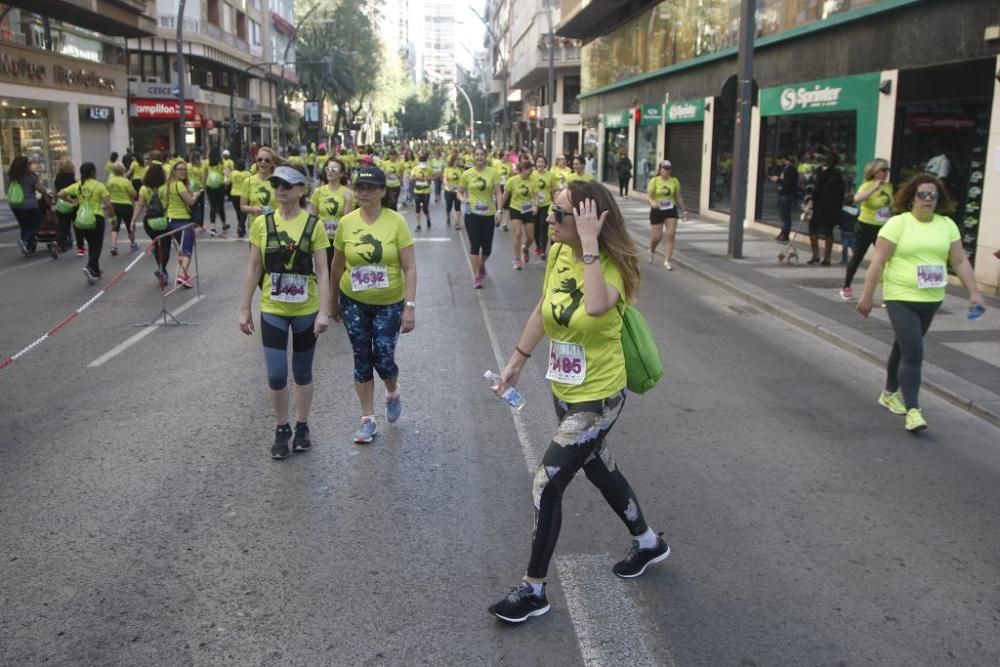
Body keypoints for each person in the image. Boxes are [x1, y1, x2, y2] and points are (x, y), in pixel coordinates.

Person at [488, 181, 669, 624]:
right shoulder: (555, 253)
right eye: (549, 211)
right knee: (599, 467)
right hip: (565, 389)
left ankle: (533, 590)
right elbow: (542, 309)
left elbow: (593, 308)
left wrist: (589, 245)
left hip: (599, 397)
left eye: (559, 214)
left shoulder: (614, 266)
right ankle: (648, 542)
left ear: (590, 220)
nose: (547, 220)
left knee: (546, 484)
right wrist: (516, 361)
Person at [857, 173, 984, 432]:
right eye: (922, 195)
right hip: (900, 297)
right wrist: (867, 295)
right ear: (911, 197)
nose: (928, 199)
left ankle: (889, 392)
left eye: (933, 195)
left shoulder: (946, 225)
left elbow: (959, 260)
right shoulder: (898, 224)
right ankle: (913, 410)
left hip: (932, 298)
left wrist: (975, 292)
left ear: (939, 198)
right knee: (914, 352)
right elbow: (878, 262)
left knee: (903, 347)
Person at [239, 165, 330, 460]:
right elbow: (254, 267)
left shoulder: (313, 225)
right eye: (277, 184)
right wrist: (244, 309)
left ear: (302, 190)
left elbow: (323, 272)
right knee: (277, 374)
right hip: (273, 308)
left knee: (302, 371)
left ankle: (303, 426)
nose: (281, 189)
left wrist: (324, 312)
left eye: (288, 185)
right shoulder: (262, 224)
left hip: (306, 309)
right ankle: (282, 428)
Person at [329, 166, 417, 444]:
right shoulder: (347, 223)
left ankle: (392, 390)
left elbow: (410, 267)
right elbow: (337, 264)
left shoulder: (396, 222)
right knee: (362, 359)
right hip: (353, 300)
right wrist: (332, 301)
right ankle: (367, 419)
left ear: (382, 191)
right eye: (359, 188)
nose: (363, 193)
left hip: (389, 303)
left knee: (384, 358)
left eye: (370, 188)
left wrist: (410, 307)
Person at [840, 159, 892, 301]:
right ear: (874, 171)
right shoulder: (866, 186)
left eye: (888, 170)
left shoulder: (889, 186)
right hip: (865, 226)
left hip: (883, 228)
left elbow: (890, 205)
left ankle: (888, 293)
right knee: (857, 257)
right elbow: (857, 198)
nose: (886, 173)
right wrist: (874, 188)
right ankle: (846, 286)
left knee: (886, 260)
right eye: (883, 170)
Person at [56, 162, 114, 284]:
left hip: (81, 220)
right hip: (96, 217)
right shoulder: (99, 186)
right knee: (96, 246)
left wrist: (72, 201)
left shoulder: (78, 186)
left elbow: (60, 194)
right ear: (93, 172)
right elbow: (108, 204)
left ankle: (96, 271)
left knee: (91, 245)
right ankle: (89, 266)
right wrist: (112, 217)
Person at [458, 147, 503, 289]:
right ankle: (476, 275)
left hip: (488, 214)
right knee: (475, 245)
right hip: (472, 214)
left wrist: (499, 210)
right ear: (473, 157)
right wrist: (463, 200)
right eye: (477, 154)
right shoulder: (467, 174)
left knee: (487, 248)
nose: (479, 157)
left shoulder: (493, 172)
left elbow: (499, 193)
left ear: (486, 156)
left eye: (482, 154)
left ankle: (481, 264)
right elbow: (459, 192)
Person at [129, 163, 174, 286]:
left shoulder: (144, 188)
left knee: (157, 244)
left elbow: (139, 205)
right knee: (165, 246)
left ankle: (162, 270)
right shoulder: (167, 187)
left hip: (149, 222)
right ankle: (162, 269)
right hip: (165, 220)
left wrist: (133, 220)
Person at [309, 156, 354, 267]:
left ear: (341, 174)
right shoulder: (318, 192)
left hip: (339, 239)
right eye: (328, 169)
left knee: (338, 270)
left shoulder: (348, 193)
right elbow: (313, 218)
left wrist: (348, 201)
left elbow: (348, 220)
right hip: (323, 240)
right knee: (324, 270)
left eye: (334, 169)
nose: (330, 172)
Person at [163, 159, 200, 288]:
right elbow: (190, 201)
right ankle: (182, 276)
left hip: (171, 220)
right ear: (174, 171)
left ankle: (183, 274)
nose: (183, 171)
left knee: (182, 249)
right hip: (182, 221)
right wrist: (196, 194)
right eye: (180, 169)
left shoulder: (170, 184)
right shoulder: (179, 184)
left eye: (184, 169)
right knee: (187, 250)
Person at [645, 160, 687, 270]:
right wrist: (652, 202)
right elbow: (649, 196)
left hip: (670, 209)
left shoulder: (674, 181)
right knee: (657, 237)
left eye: (669, 169)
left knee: (671, 234)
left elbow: (678, 197)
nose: (667, 171)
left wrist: (684, 210)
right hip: (657, 210)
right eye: (665, 169)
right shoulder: (654, 181)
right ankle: (651, 249)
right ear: (660, 170)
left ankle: (667, 260)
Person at [6, 155, 49, 256]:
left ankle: (27, 247)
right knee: (37, 224)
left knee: (24, 226)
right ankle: (25, 241)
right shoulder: (30, 175)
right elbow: (40, 188)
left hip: (15, 204)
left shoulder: (10, 176)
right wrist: (46, 193)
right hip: (29, 205)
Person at [806, 152, 844, 265]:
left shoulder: (822, 174)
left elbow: (816, 191)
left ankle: (816, 255)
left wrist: (810, 204)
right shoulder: (838, 175)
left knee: (812, 228)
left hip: (820, 207)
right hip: (833, 208)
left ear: (826, 161)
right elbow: (841, 193)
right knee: (829, 231)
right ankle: (827, 258)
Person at [501, 159, 538, 270]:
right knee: (518, 234)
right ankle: (517, 259)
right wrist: (499, 210)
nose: (531, 172)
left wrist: (536, 205)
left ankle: (525, 248)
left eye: (531, 170)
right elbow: (505, 195)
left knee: (531, 237)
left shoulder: (533, 181)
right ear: (522, 170)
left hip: (528, 210)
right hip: (515, 208)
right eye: (529, 170)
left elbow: (536, 196)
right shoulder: (512, 181)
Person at [240, 145, 279, 223]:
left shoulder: (278, 181)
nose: (263, 162)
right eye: (260, 160)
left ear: (272, 163)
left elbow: (286, 207)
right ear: (256, 161)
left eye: (267, 160)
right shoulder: (248, 181)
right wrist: (253, 209)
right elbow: (242, 206)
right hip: (256, 227)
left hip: (276, 226)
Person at [106, 163, 138, 255]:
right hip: (126, 205)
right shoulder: (126, 181)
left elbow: (107, 192)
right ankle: (132, 244)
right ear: (123, 170)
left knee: (115, 226)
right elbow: (133, 194)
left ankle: (113, 245)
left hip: (114, 204)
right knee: (129, 225)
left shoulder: (110, 181)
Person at [770, 153, 799, 241]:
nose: (778, 163)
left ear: (783, 159)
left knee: (785, 215)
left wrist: (778, 180)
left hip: (787, 194)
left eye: (779, 161)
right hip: (783, 194)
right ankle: (783, 232)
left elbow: (788, 183)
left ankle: (785, 233)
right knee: (782, 215)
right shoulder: (785, 169)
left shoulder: (791, 169)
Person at [52, 159, 78, 254]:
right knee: (76, 225)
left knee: (63, 227)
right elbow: (76, 191)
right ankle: (80, 246)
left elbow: (55, 192)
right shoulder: (73, 179)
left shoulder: (56, 178)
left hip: (61, 205)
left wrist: (56, 202)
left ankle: (58, 241)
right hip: (72, 204)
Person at [533, 155, 555, 260]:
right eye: (538, 162)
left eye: (542, 162)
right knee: (535, 229)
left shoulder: (550, 175)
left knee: (543, 226)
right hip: (534, 205)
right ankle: (537, 245)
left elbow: (553, 191)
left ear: (545, 164)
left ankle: (543, 249)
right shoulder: (532, 175)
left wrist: (555, 202)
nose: (540, 164)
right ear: (535, 163)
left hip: (546, 204)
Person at [205, 146, 229, 236]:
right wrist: (225, 181)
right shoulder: (222, 162)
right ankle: (224, 224)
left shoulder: (206, 162)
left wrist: (204, 185)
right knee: (221, 205)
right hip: (220, 185)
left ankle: (213, 227)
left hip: (209, 185)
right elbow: (226, 173)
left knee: (213, 206)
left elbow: (204, 175)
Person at [410, 153, 433, 231]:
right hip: (417, 190)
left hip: (426, 191)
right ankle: (418, 225)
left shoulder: (429, 169)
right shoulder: (415, 168)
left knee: (425, 208)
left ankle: (428, 218)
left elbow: (431, 179)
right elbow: (411, 178)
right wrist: (418, 178)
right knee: (417, 208)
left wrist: (427, 179)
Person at [442, 152, 464, 230]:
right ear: (453, 161)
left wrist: (461, 188)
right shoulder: (447, 169)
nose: (458, 162)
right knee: (449, 207)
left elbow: (463, 180)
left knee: (457, 207)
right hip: (449, 190)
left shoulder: (460, 170)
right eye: (456, 160)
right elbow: (444, 179)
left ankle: (457, 223)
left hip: (458, 191)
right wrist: (448, 185)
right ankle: (448, 217)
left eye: (459, 160)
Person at [229, 158, 250, 238]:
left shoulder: (233, 173)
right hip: (244, 195)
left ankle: (242, 228)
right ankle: (241, 226)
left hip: (234, 194)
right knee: (243, 213)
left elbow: (228, 181)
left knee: (238, 212)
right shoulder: (248, 174)